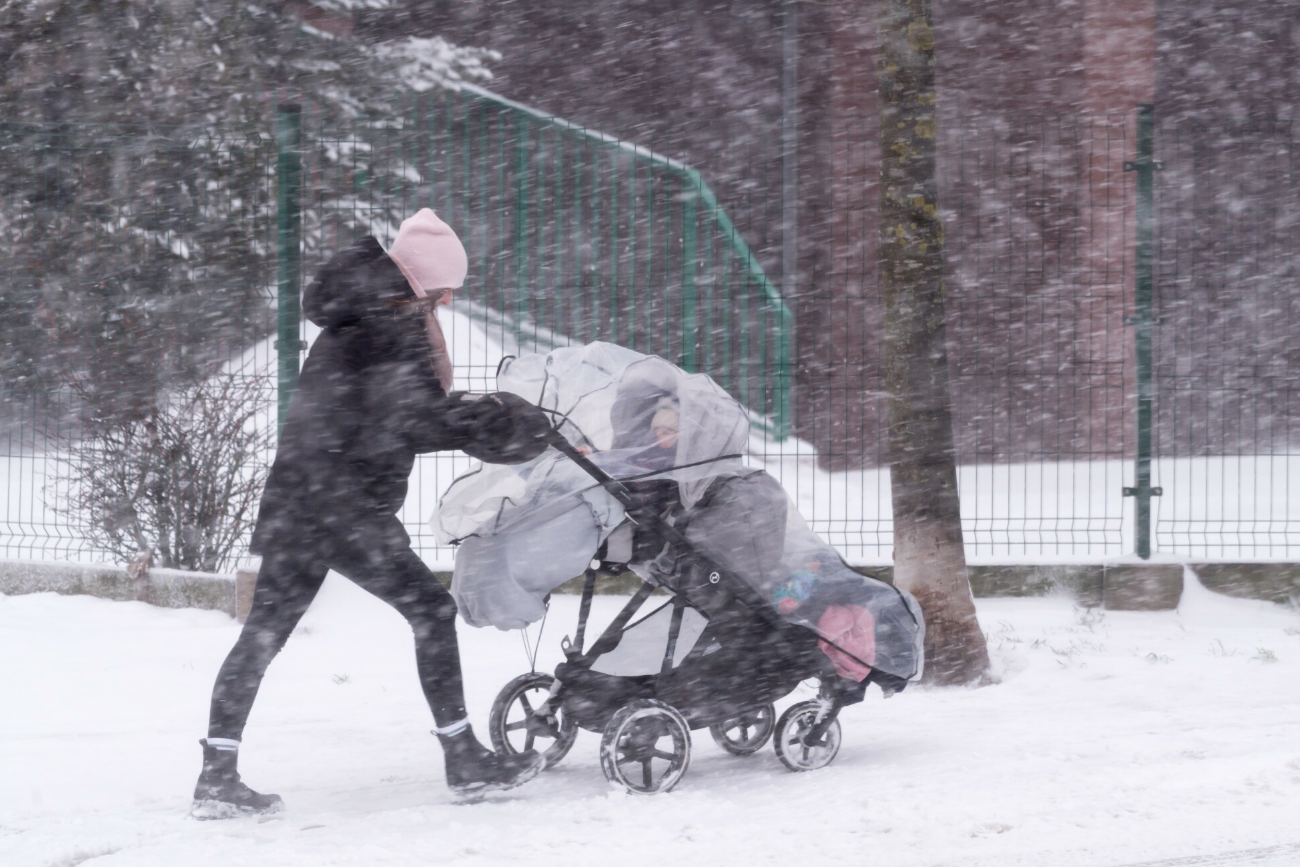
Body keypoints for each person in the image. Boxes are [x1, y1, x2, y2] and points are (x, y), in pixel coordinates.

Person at [192, 210, 550, 819]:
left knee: (264, 633)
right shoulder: (388, 326)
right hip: (343, 507)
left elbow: (399, 411)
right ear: (423, 281)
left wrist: (475, 413)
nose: (449, 300)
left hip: (301, 501)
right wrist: (503, 422)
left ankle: (216, 776)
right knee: (432, 610)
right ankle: (463, 760)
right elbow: (417, 420)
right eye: (445, 288)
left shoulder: (359, 317)